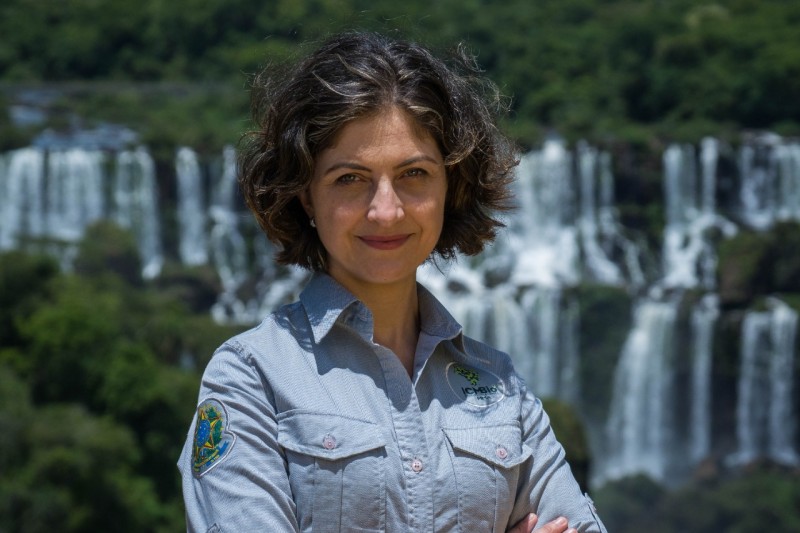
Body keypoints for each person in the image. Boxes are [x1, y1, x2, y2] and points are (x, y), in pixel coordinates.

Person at [178, 31, 607, 533]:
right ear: (305, 197)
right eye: (350, 179)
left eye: (414, 174)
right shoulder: (251, 379)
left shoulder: (498, 384)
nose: (386, 210)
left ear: (452, 185)